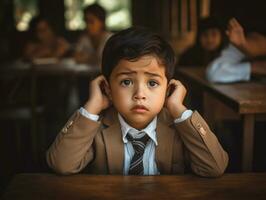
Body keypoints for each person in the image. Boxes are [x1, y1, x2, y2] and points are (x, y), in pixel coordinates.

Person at [46, 27, 228, 177]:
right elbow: (61, 164)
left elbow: (214, 167)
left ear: (168, 90)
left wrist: (178, 108)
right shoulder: (96, 129)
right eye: (126, 82)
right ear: (108, 88)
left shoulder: (179, 128)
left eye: (152, 83)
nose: (140, 94)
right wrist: (92, 106)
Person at [206, 18, 266, 83]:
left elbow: (214, 73)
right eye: (205, 35)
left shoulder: (233, 46)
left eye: (214, 34)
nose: (209, 40)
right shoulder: (214, 52)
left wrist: (254, 67)